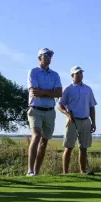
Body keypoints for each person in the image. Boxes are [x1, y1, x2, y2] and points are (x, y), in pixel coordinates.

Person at [26, 48, 62, 176]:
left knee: (44, 141)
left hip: (50, 111)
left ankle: (37, 171)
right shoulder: (33, 72)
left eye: (50, 55)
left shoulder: (55, 75)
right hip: (35, 109)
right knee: (36, 136)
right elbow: (35, 92)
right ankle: (30, 170)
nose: (48, 57)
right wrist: (50, 93)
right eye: (46, 55)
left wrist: (44, 92)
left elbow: (59, 93)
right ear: (39, 57)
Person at [57, 66, 97, 174]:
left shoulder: (88, 89)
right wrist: (67, 114)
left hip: (86, 120)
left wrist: (93, 122)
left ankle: (83, 171)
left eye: (80, 73)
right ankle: (65, 173)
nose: (79, 75)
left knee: (84, 148)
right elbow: (60, 105)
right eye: (77, 73)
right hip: (72, 120)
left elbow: (92, 107)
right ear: (72, 75)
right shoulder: (68, 88)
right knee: (68, 147)